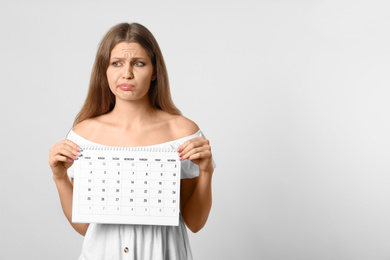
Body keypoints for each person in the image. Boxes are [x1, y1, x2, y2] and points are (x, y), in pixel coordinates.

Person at [48, 23, 215, 260]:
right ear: (104, 71)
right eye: (116, 63)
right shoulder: (84, 134)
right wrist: (59, 177)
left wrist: (207, 171)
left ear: (154, 71)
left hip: (163, 253)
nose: (127, 73)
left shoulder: (182, 132)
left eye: (139, 63)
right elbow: (85, 227)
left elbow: (195, 223)